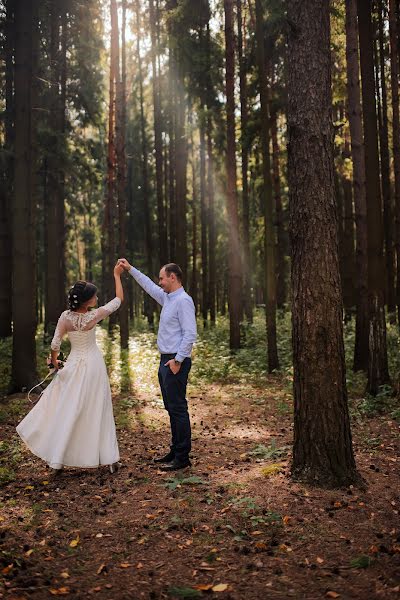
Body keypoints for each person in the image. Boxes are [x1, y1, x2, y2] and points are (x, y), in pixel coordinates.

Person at [16, 263, 124, 474]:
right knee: (98, 407)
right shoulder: (95, 315)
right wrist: (116, 275)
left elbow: (55, 344)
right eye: (94, 296)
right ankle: (110, 458)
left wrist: (55, 362)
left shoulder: (65, 317)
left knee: (68, 408)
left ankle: (58, 459)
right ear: (86, 301)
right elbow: (118, 300)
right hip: (93, 365)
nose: (97, 298)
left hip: (74, 364)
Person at [118, 259, 197, 471]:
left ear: (173, 277)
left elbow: (190, 333)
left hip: (175, 360)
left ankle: (182, 457)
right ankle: (175, 450)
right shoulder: (168, 298)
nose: (159, 282)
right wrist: (130, 268)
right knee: (171, 408)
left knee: (178, 409)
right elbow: (148, 285)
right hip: (166, 360)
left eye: (162, 278)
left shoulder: (183, 300)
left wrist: (178, 361)